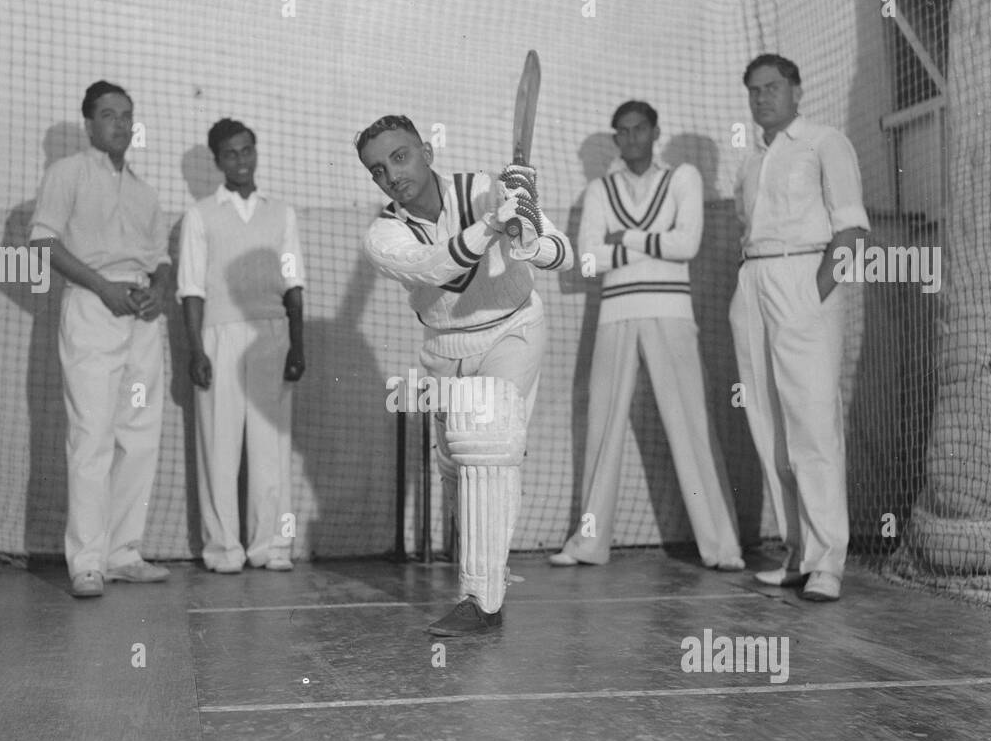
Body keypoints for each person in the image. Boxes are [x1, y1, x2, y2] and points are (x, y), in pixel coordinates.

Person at [356, 115, 572, 635]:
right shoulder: (382, 234)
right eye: (378, 170)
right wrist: (492, 226)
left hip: (512, 331)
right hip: (443, 351)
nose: (392, 175)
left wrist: (527, 229)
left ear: (428, 151)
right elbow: (434, 267)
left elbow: (561, 256)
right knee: (458, 471)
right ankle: (487, 573)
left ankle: (481, 601)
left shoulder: (484, 190)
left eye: (401, 157)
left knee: (489, 439)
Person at [551, 100, 743, 571]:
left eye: (639, 129)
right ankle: (589, 544)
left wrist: (626, 240)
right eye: (622, 132)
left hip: (671, 311)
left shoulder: (684, 178)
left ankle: (723, 547)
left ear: (655, 133)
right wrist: (651, 242)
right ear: (616, 139)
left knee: (690, 425)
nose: (632, 138)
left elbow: (688, 245)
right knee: (602, 428)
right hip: (615, 313)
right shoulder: (599, 190)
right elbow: (589, 260)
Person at [731, 54, 869, 602]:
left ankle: (829, 560)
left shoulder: (825, 141)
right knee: (769, 425)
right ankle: (798, 552)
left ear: (796, 90)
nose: (762, 98)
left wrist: (812, 297)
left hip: (804, 277)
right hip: (754, 283)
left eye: (772, 87)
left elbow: (853, 230)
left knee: (812, 423)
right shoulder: (750, 161)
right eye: (754, 91)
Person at [30, 80, 173, 598]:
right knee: (91, 436)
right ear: (89, 122)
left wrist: (158, 291)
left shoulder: (145, 192)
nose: (120, 123)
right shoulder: (65, 173)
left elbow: (160, 260)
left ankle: (122, 553)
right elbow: (43, 243)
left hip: (141, 318)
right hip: (91, 309)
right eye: (109, 114)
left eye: (127, 114)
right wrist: (102, 287)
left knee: (138, 437)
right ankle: (86, 562)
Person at [177, 118, 306, 573]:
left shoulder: (282, 213)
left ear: (256, 152)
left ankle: (269, 546)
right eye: (231, 154)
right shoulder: (200, 215)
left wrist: (298, 345)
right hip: (218, 336)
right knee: (220, 446)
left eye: (247, 150)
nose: (241, 161)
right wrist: (197, 350)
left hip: (272, 335)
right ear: (217, 162)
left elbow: (293, 284)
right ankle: (224, 550)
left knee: (270, 448)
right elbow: (191, 289)